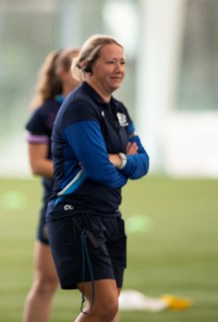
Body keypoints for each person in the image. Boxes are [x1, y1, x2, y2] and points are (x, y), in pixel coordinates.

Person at [46, 34, 149, 322]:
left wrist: (119, 160)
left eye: (122, 62)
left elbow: (144, 162)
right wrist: (122, 169)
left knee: (105, 310)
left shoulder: (119, 110)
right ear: (88, 67)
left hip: (109, 216)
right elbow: (98, 171)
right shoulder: (80, 106)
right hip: (77, 217)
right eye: (110, 62)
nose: (119, 69)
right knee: (104, 307)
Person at [23, 48, 80, 322]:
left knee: (104, 291)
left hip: (98, 209)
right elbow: (37, 165)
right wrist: (84, 171)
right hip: (58, 208)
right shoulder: (45, 113)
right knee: (46, 284)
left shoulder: (100, 108)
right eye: (79, 66)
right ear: (63, 73)